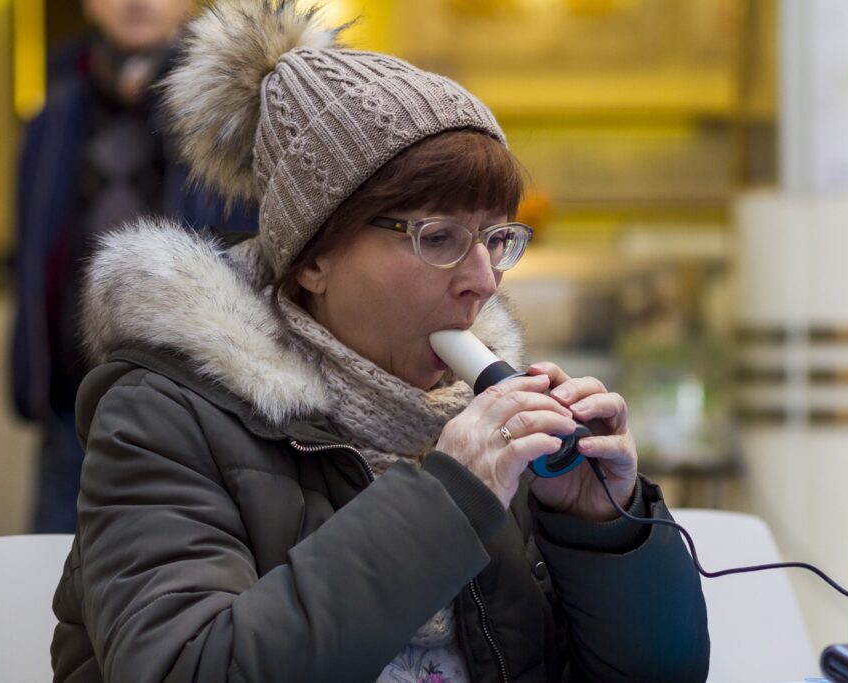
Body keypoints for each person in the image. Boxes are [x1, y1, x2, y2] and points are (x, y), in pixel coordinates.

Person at [50, 2, 710, 681]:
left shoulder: (486, 423)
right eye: (438, 237)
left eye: (495, 239)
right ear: (313, 258)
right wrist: (446, 504)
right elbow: (185, 667)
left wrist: (601, 529)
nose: (483, 280)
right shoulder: (161, 418)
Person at [9, 0, 256, 533]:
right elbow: (34, 260)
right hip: (71, 414)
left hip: (197, 413)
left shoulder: (229, 107)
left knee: (181, 572)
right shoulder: (52, 113)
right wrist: (28, 378)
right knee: (49, 574)